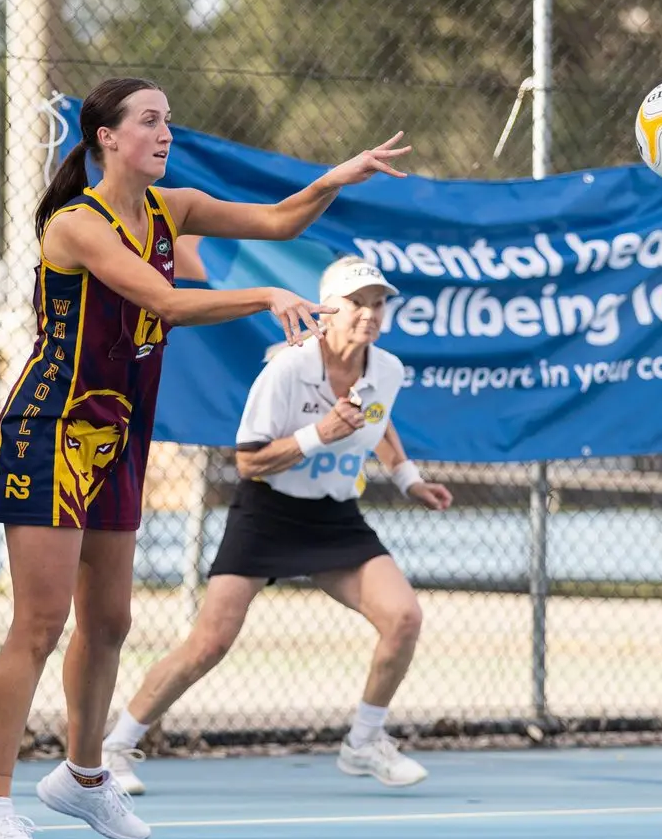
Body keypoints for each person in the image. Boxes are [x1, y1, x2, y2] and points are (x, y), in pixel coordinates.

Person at [0, 76, 409, 839]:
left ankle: (84, 775)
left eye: (168, 119)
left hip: (117, 436)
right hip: (51, 430)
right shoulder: (76, 224)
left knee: (109, 622)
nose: (165, 131)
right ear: (106, 137)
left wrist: (335, 179)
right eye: (149, 120)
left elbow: (278, 220)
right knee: (39, 624)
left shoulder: (171, 207)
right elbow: (162, 302)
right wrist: (263, 296)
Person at [101, 256, 451, 794]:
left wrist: (409, 480)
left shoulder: (387, 370)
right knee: (209, 643)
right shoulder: (286, 369)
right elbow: (248, 461)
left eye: (378, 304)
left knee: (404, 618)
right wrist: (320, 434)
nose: (370, 313)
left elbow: (378, 422)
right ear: (328, 310)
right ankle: (115, 749)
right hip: (267, 512)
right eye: (357, 303)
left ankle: (363, 743)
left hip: (334, 516)